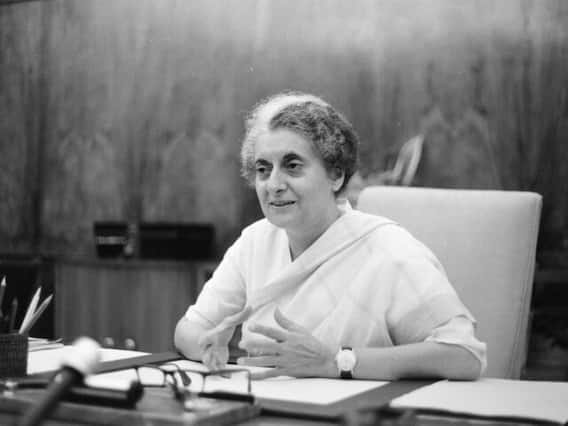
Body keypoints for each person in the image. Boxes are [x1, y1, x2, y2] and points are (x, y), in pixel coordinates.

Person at [174, 91, 486, 381]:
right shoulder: (255, 242)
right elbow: (188, 329)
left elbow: (464, 355)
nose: (274, 185)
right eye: (263, 169)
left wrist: (337, 362)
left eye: (292, 166)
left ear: (336, 175)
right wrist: (206, 344)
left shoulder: (388, 249)